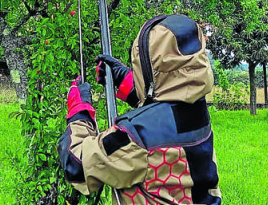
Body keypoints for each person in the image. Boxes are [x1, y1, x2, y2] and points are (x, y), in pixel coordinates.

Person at [58, 14, 221, 204]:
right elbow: (167, 117)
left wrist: (79, 112)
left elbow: (77, 165)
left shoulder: (136, 136)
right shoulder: (196, 109)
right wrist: (132, 85)